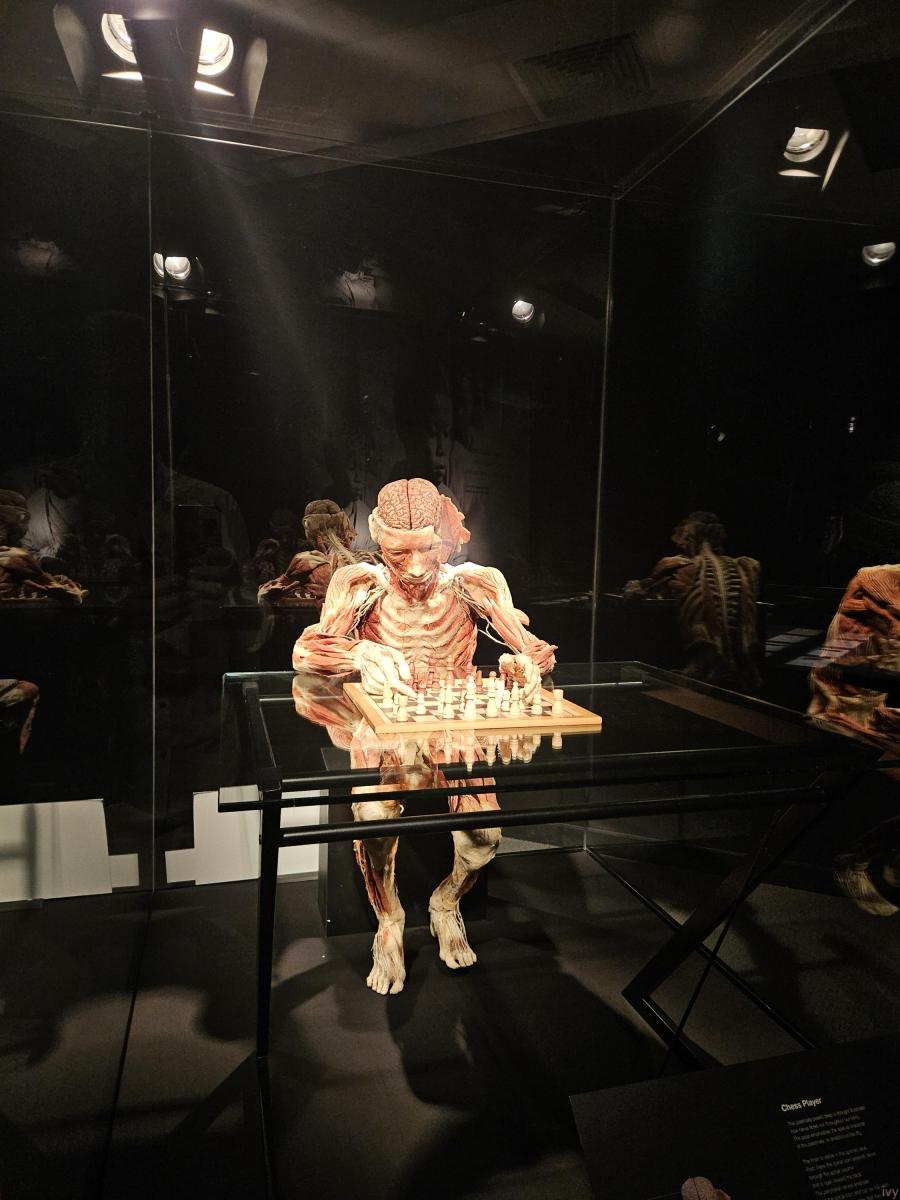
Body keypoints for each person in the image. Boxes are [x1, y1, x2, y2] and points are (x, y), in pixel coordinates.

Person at [292, 477, 556, 995]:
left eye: (427, 550)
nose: (414, 568)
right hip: (384, 726)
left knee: (484, 839)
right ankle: (389, 919)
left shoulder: (475, 583)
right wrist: (360, 651)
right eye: (398, 553)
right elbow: (306, 652)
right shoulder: (359, 583)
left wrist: (524, 664)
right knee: (372, 818)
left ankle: (446, 901)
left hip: (454, 725)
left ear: (446, 538)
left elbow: (536, 649)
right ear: (376, 535)